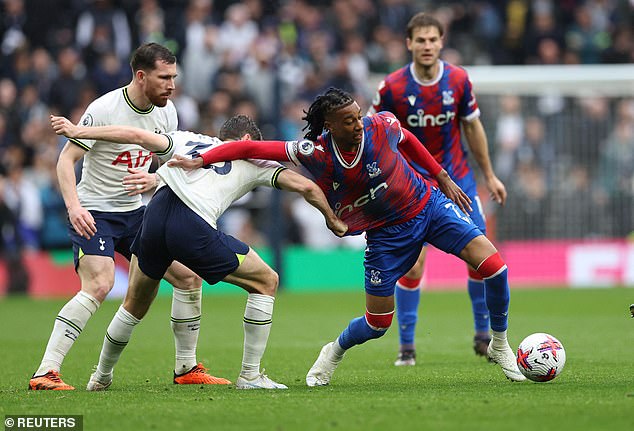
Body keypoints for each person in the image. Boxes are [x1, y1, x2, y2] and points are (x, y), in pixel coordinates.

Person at [168, 87, 527, 385]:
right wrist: (202, 160)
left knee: (494, 266)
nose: (359, 124)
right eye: (349, 120)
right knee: (376, 324)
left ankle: (498, 342)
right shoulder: (315, 153)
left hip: (427, 206)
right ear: (329, 126)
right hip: (386, 236)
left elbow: (410, 141)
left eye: (358, 116)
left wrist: (442, 176)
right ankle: (334, 350)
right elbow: (248, 149)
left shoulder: (381, 125)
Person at [50, 113, 347, 390]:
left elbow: (134, 134)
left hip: (153, 215)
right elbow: (305, 188)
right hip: (191, 223)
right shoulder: (255, 159)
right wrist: (332, 219)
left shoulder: (188, 138)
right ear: (247, 140)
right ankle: (250, 375)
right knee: (266, 280)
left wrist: (79, 131)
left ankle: (101, 377)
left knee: (135, 303)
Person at [29, 43, 219, 391]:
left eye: (174, 77)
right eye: (164, 77)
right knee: (100, 284)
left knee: (189, 278)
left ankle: (186, 368)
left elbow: (172, 162)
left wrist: (156, 177)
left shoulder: (168, 112)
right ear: (141, 76)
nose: (171, 85)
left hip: (135, 215)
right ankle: (45, 372)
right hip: (95, 212)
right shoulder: (104, 108)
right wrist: (74, 207)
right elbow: (65, 161)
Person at [367, 12, 507, 365]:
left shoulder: (458, 80)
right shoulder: (392, 88)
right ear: (409, 43)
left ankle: (483, 336)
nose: (427, 46)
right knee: (413, 266)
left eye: (433, 39)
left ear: (441, 42)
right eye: (421, 40)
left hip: (456, 179)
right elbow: (371, 133)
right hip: (409, 185)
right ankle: (407, 347)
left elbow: (472, 128)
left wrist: (489, 175)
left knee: (480, 255)